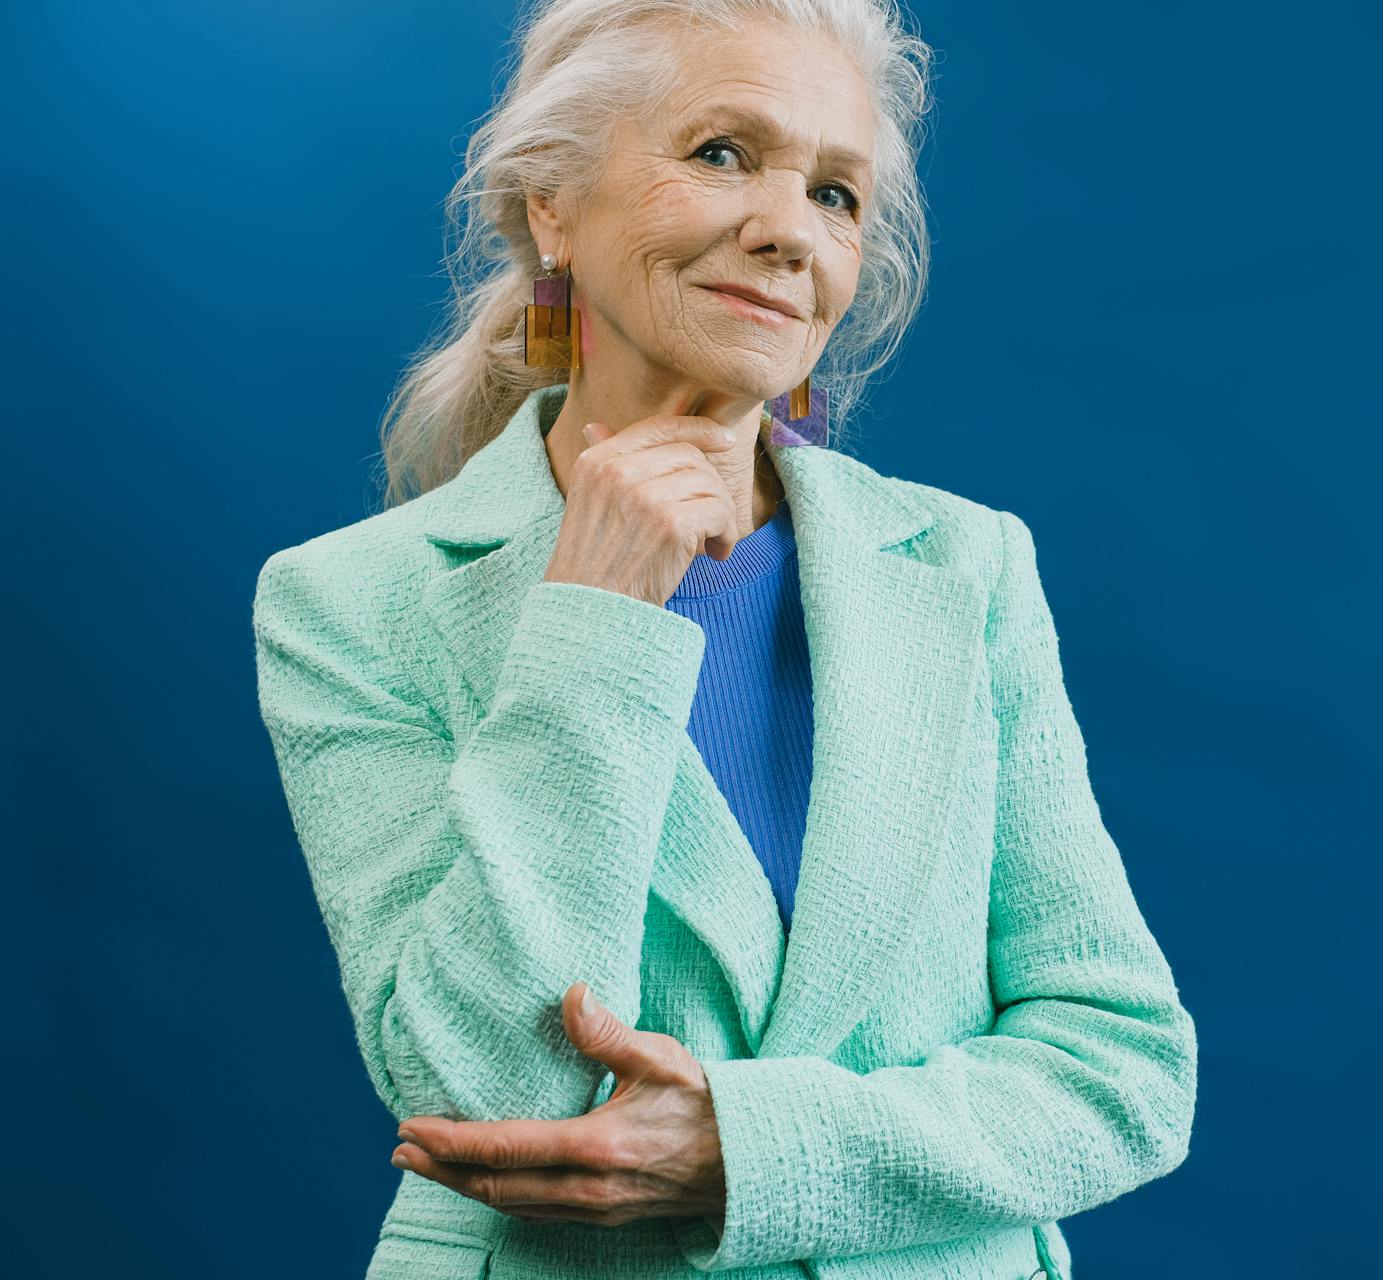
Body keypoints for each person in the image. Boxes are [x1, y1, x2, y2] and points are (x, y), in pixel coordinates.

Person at [250, 2, 1196, 1276]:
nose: (788, 229)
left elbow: (1126, 1068)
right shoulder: (348, 601)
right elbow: (478, 1082)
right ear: (552, 206)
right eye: (720, 153)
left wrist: (750, 1150)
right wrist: (594, 615)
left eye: (837, 195)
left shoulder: (969, 569)